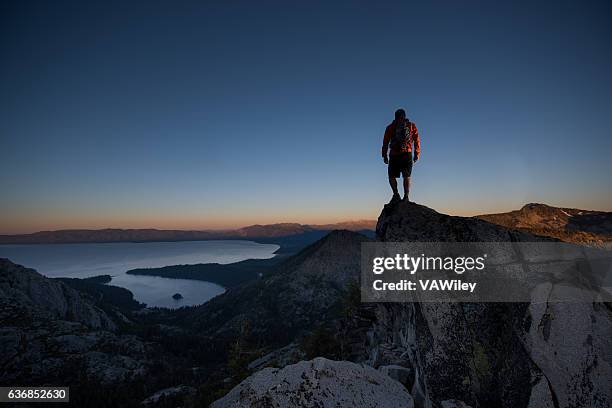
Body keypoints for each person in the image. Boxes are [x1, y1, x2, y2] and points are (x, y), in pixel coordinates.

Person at [382, 108, 421, 202]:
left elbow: (385, 142)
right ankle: (406, 197)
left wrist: (384, 155)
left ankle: (396, 194)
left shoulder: (390, 127)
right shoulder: (411, 126)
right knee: (406, 176)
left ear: (395, 117)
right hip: (407, 153)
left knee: (391, 176)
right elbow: (417, 140)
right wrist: (416, 153)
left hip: (394, 154)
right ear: (405, 116)